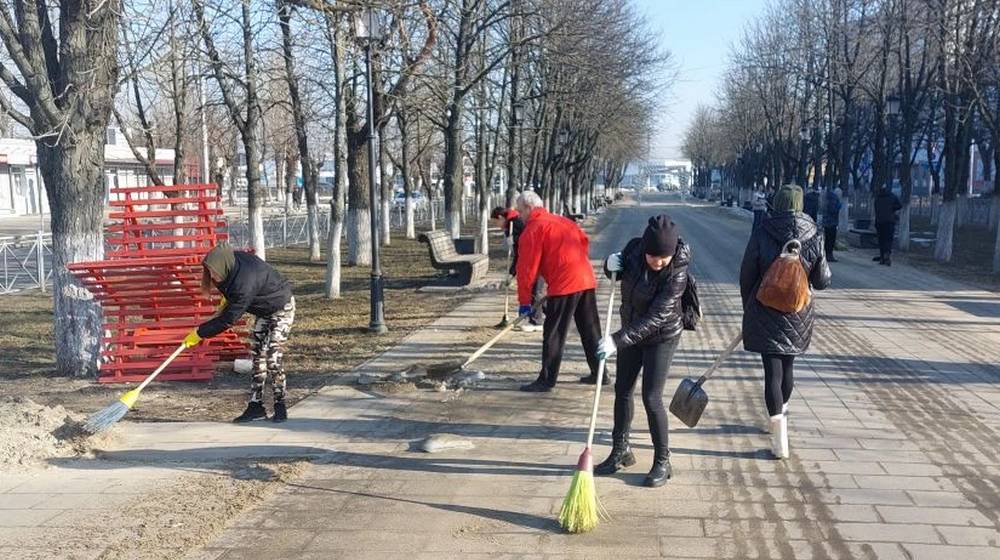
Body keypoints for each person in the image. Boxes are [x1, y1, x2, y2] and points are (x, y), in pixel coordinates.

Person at [594, 215, 691, 488]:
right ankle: (620, 451)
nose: (659, 262)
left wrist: (616, 340)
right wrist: (608, 266)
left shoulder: (678, 270)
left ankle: (663, 460)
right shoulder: (633, 250)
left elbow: (657, 317)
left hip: (662, 336)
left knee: (652, 397)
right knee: (622, 390)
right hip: (631, 330)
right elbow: (620, 273)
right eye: (653, 255)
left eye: (664, 257)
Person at [739, 185, 831, 459]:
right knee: (788, 365)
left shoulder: (763, 230)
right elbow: (822, 280)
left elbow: (746, 273)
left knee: (772, 372)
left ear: (777, 203)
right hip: (798, 311)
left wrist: (749, 306)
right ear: (801, 205)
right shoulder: (815, 234)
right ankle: (783, 413)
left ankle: (779, 439)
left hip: (765, 309)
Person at [184, 244, 296, 423]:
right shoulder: (228, 266)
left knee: (272, 357)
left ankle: (280, 405)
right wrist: (226, 299)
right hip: (263, 312)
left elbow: (229, 319)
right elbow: (230, 298)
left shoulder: (245, 281)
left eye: (214, 272)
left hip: (281, 307)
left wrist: (200, 333)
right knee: (258, 358)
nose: (212, 277)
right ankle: (255, 407)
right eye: (210, 272)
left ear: (224, 266)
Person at [514, 191, 604, 392]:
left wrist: (524, 302)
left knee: (554, 333)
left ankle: (546, 380)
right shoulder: (563, 221)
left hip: (565, 284)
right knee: (590, 329)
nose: (518, 215)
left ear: (529, 208)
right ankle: (600, 373)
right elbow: (584, 242)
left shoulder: (533, 229)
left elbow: (526, 270)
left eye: (520, 211)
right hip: (586, 278)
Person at [490, 206, 544, 331]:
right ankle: (544, 314)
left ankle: (537, 321)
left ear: (500, 217)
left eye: (495, 222)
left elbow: (520, 251)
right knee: (536, 289)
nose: (497, 225)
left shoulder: (514, 224)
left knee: (535, 289)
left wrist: (512, 272)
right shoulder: (512, 223)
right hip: (532, 258)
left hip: (534, 258)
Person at [873, 186, 902, 266]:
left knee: (881, 240)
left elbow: (876, 210)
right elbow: (900, 205)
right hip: (889, 222)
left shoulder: (877, 199)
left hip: (879, 222)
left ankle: (882, 258)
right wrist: (892, 208)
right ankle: (887, 255)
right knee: (888, 240)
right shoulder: (892, 197)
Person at [820, 188, 843, 262]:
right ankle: (829, 255)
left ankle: (827, 255)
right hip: (831, 222)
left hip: (827, 222)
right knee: (831, 240)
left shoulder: (829, 198)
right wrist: (840, 205)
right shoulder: (834, 199)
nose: (841, 196)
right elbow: (833, 210)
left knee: (827, 240)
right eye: (840, 194)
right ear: (838, 194)